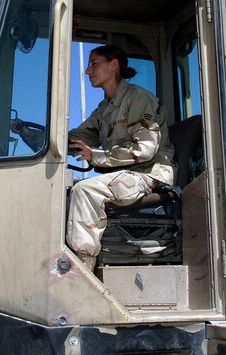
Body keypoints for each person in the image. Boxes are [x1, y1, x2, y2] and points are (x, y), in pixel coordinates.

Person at [65, 45, 175, 270]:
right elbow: (79, 137)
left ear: (113, 65)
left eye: (94, 63)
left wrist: (96, 156)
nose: (88, 71)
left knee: (85, 191)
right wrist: (43, 138)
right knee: (67, 191)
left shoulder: (137, 99)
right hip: (127, 175)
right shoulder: (105, 108)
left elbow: (145, 149)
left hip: (150, 176)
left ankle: (83, 269)